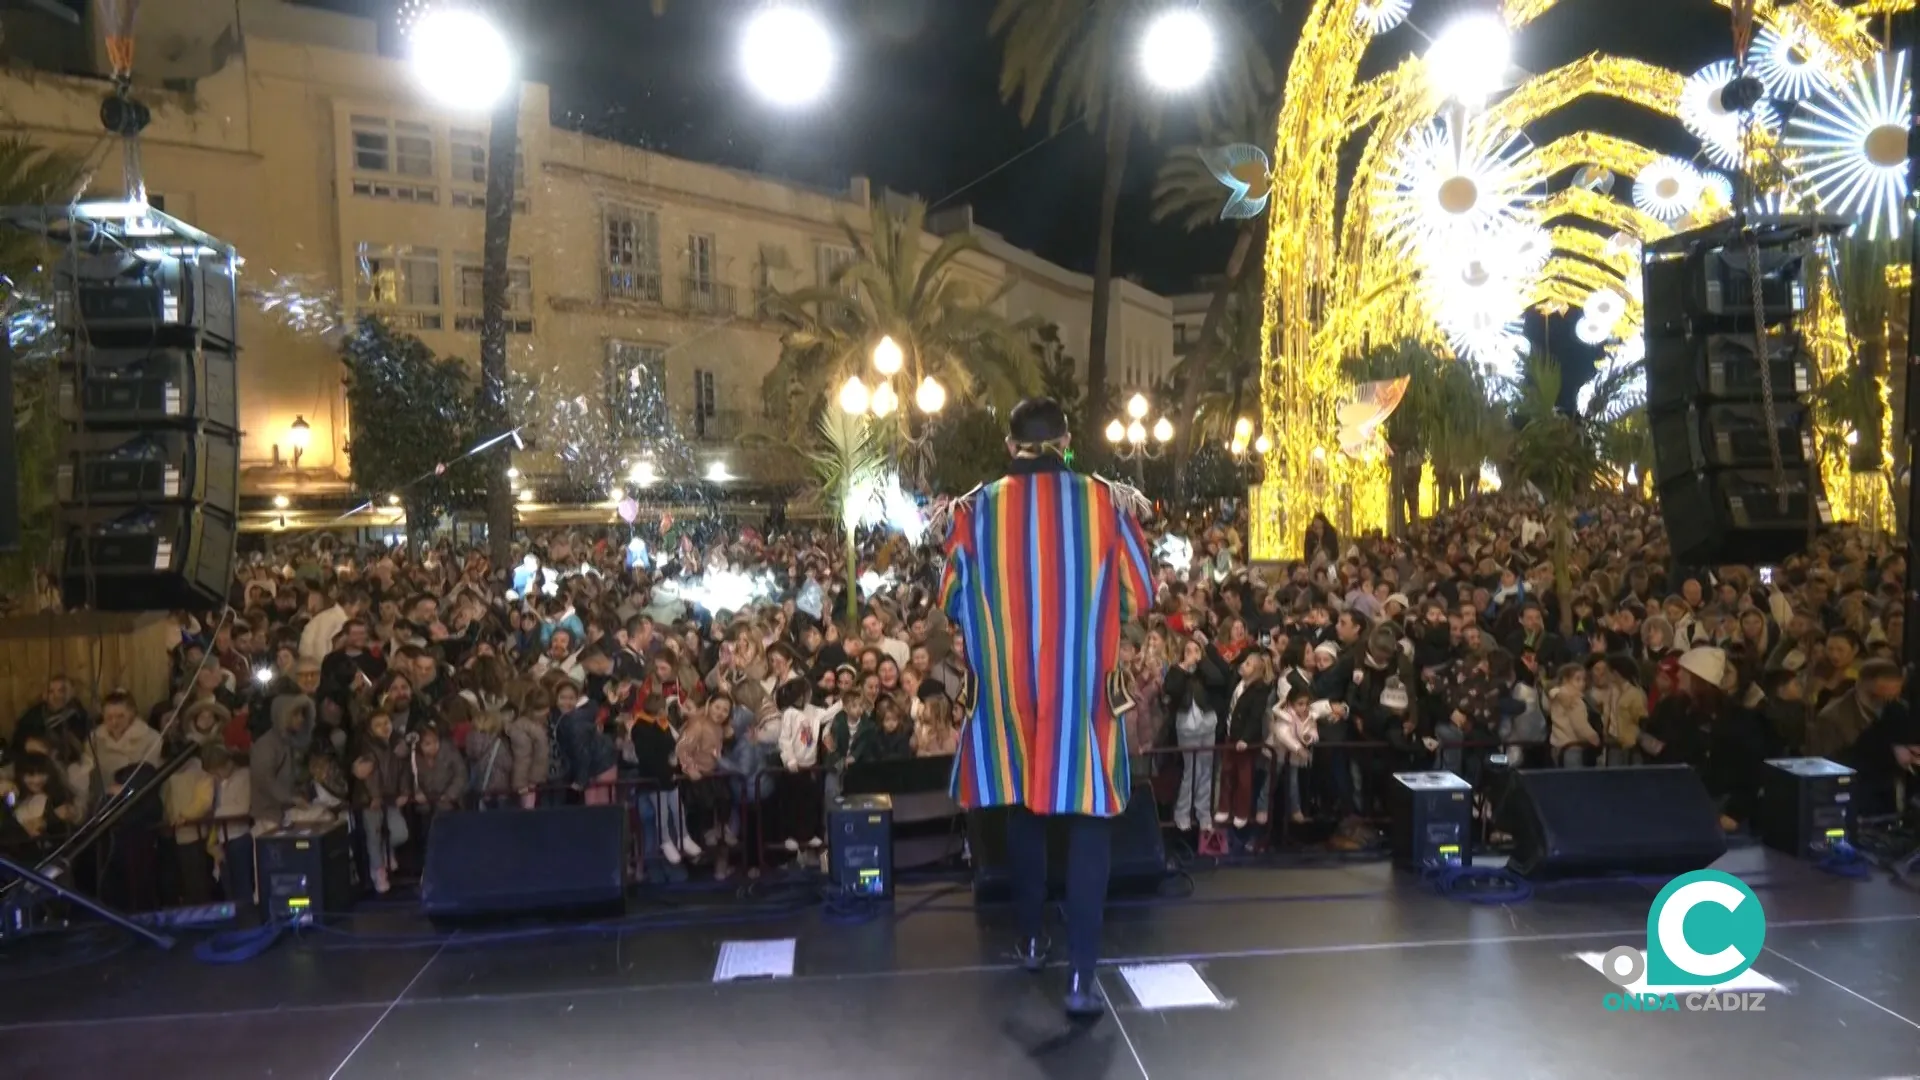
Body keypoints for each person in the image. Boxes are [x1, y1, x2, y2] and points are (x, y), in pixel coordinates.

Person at [937, 397, 1154, 1018]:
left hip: (1009, 697)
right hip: (1083, 694)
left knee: (1026, 813)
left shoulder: (974, 510)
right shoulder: (1107, 502)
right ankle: (1082, 978)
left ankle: (1031, 939)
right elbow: (1142, 592)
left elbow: (951, 597)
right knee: (1089, 824)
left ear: (1010, 447)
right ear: (1066, 442)